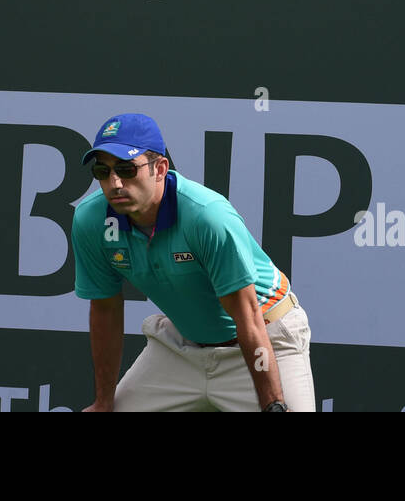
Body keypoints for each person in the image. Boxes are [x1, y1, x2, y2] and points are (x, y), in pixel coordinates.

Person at [72, 113, 315, 412]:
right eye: (102, 171)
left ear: (160, 169)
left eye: (126, 169)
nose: (115, 182)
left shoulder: (207, 216)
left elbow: (247, 317)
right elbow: (105, 310)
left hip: (266, 337)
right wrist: (104, 402)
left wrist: (273, 405)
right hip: (182, 349)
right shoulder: (91, 220)